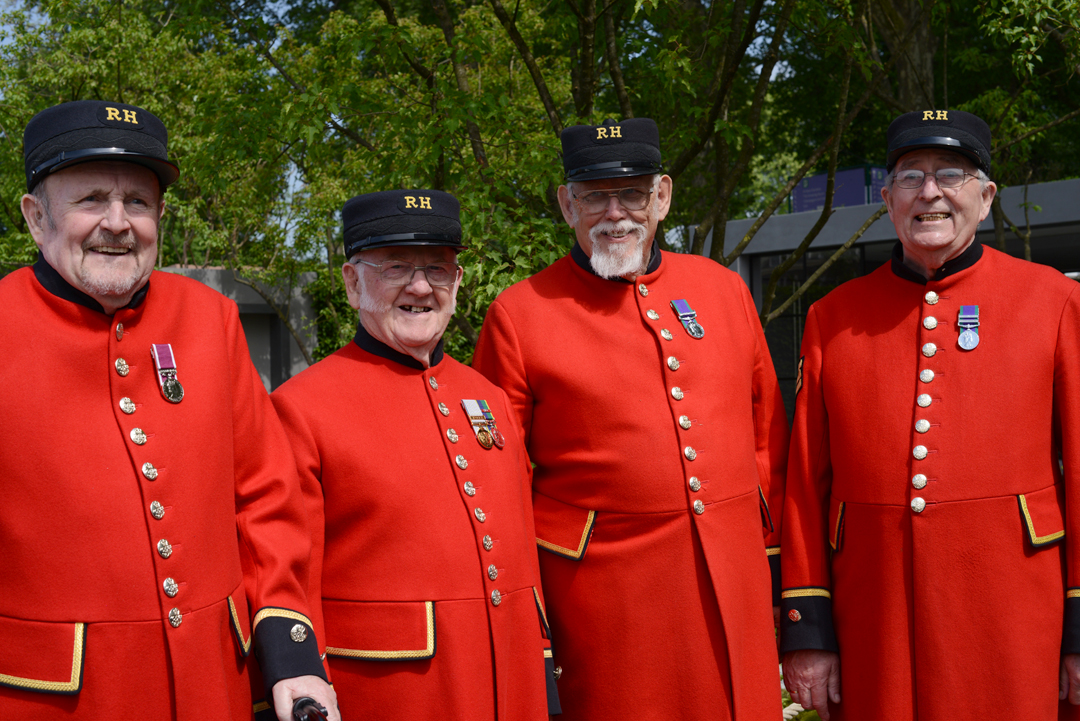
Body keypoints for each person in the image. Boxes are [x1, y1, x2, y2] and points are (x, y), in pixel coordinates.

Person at [0, 100, 338, 721]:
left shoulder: (210, 319)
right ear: (35, 216)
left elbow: (266, 496)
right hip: (54, 700)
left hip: (215, 686)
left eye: (138, 203)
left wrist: (291, 652)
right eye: (91, 199)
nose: (117, 223)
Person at [472, 119, 788, 720]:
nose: (615, 213)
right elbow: (497, 483)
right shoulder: (519, 313)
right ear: (568, 204)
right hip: (602, 600)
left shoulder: (722, 291)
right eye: (594, 196)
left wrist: (771, 565)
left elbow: (767, 440)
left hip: (733, 584)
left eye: (633, 194)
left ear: (662, 197)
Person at [780, 109, 1080, 720]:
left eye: (952, 174)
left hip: (1014, 611)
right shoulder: (831, 317)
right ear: (887, 198)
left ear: (987, 195)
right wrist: (807, 627)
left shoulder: (1054, 300)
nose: (931, 193)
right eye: (911, 177)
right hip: (874, 618)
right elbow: (806, 481)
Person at [271, 189, 561, 720]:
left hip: (510, 689)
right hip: (391, 696)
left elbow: (520, 561)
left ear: (458, 283)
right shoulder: (299, 408)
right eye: (397, 267)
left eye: (438, 269)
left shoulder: (489, 398)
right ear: (353, 283)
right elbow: (290, 576)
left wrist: (542, 674)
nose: (421, 286)